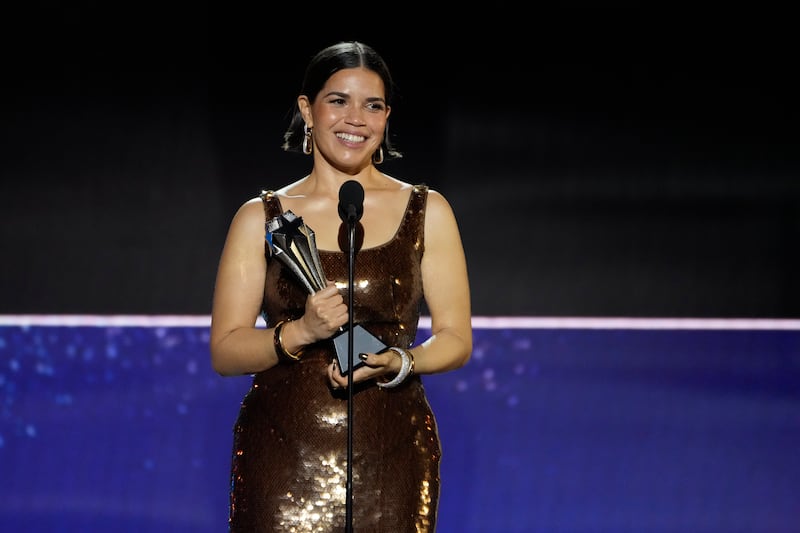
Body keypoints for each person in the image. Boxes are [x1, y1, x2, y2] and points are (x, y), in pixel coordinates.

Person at [209, 40, 472, 532]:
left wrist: (401, 361)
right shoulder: (259, 219)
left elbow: (456, 340)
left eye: (372, 105)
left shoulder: (426, 210)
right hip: (284, 452)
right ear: (307, 110)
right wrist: (302, 331)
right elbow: (225, 351)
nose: (356, 118)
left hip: (393, 449)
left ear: (386, 117)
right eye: (338, 101)